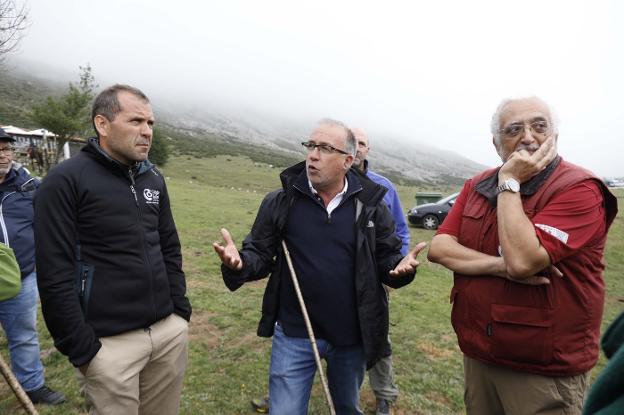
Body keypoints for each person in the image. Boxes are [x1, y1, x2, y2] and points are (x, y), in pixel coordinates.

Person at [214, 119, 426, 415]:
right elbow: (259, 253)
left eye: (325, 148)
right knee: (284, 411)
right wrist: (240, 264)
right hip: (294, 332)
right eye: (310, 146)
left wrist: (399, 269)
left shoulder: (372, 205)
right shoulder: (281, 201)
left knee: (345, 407)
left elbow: (386, 258)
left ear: (348, 161)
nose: (313, 155)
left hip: (351, 335)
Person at [427, 96, 618, 415]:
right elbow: (440, 247)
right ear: (496, 142)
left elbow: (523, 261)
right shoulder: (477, 184)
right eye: (514, 129)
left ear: (555, 135)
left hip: (542, 368)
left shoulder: (578, 188)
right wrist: (497, 266)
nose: (528, 137)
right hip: (479, 354)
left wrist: (509, 182)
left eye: (539, 126)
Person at [33, 84, 192, 415]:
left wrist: (179, 313)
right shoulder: (65, 180)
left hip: (166, 334)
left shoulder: (153, 179)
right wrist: (84, 348)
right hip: (108, 346)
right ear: (102, 124)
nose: (146, 131)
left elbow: (169, 246)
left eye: (150, 123)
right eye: (136, 121)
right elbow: (53, 273)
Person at [0, 127, 65, 405]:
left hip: (22, 274)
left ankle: (32, 386)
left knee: (24, 333)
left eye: (6, 149)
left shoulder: (27, 185)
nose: (3, 155)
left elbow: (48, 221)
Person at [352, 127, 408, 415]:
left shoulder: (383, 187)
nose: (357, 147)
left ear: (368, 149)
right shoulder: (322, 183)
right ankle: (283, 392)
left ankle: (384, 395)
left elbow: (400, 229)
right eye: (352, 142)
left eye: (362, 143)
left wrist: (396, 265)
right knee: (310, 334)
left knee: (378, 336)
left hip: (374, 278)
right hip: (331, 279)